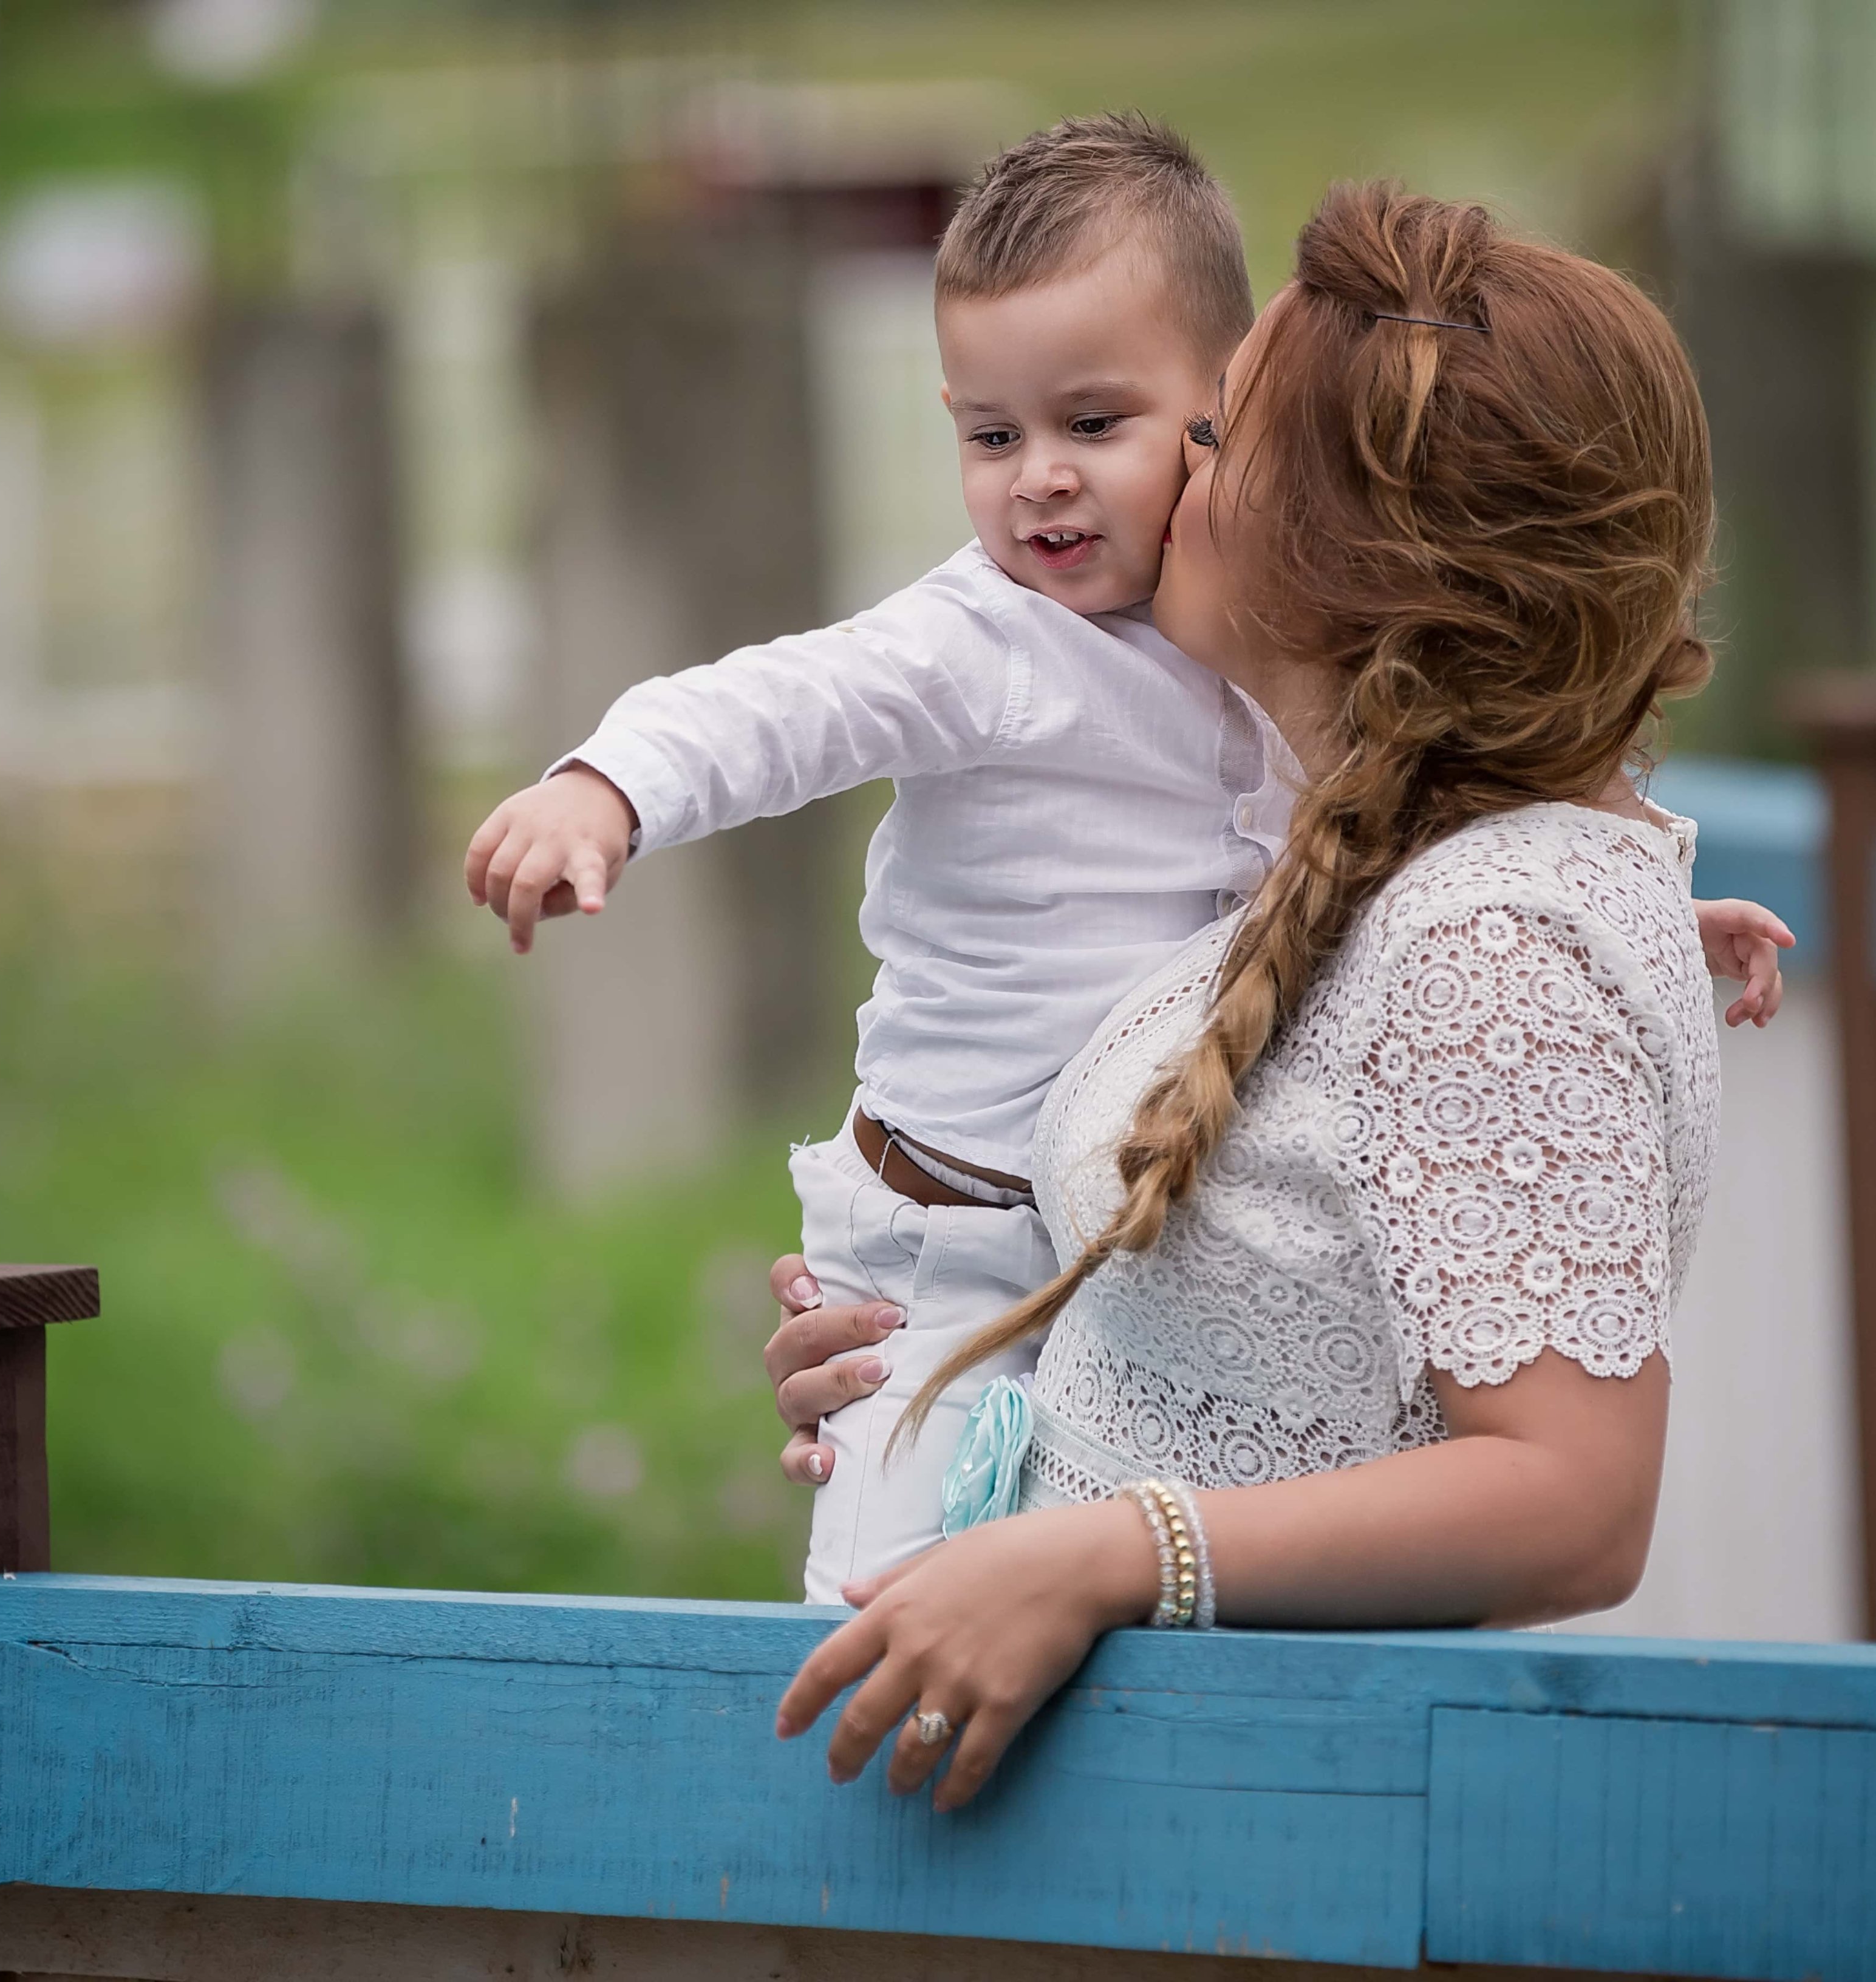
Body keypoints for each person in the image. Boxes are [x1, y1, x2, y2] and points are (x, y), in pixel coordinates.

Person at [467, 117, 1786, 1606]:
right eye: (990, 435)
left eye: (1183, 432)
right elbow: (786, 699)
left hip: (1146, 1541)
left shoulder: (1472, 922)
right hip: (950, 1221)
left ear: (1337, 542)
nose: (1048, 484)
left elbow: (1459, 946)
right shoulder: (997, 641)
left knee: (891, 1628)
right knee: (875, 1608)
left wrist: (1644, 920)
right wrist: (608, 784)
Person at [771, 181, 1750, 1813]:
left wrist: (1098, 1559)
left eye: (1215, 436)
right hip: (1114, 1795)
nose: (1164, 481)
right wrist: (928, 1351)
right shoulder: (1359, 873)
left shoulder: (1492, 944)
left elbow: (1576, 1503)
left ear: (1342, 557)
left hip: (1265, 1823)